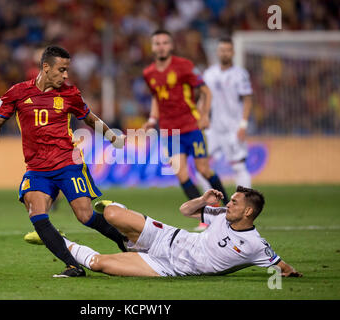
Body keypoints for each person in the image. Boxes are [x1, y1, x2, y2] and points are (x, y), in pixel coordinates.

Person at [0, 45, 127, 278]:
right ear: (46, 67)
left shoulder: (69, 94)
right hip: (37, 169)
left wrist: (112, 136)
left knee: (85, 216)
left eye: (67, 70)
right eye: (61, 69)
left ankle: (125, 242)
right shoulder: (17, 93)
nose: (66, 75)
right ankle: (73, 266)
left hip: (68, 163)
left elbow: (90, 119)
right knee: (37, 215)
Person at [63, 187, 303, 278]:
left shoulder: (255, 244)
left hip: (167, 267)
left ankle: (59, 241)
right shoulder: (220, 216)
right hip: (167, 237)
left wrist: (290, 273)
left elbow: (281, 266)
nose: (228, 205)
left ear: (248, 211)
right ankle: (124, 224)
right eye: (230, 201)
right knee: (112, 214)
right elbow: (185, 211)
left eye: (235, 203)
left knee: (98, 264)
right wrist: (202, 199)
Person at [142, 29, 229, 231]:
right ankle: (204, 218)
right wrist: (152, 119)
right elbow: (156, 97)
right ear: (152, 47)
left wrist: (205, 115)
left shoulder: (184, 66)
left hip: (190, 126)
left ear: (171, 46)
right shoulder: (149, 73)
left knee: (203, 170)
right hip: (169, 131)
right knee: (181, 175)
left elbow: (205, 90)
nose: (161, 46)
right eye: (157, 43)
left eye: (165, 42)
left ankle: (227, 210)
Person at [199, 37, 253, 191]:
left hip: (233, 127)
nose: (225, 53)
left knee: (239, 166)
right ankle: (210, 203)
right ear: (217, 52)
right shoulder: (209, 74)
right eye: (222, 50)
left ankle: (244, 202)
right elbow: (203, 99)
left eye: (228, 50)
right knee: (202, 165)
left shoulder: (240, 74)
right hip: (213, 127)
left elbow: (248, 100)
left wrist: (243, 125)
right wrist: (200, 117)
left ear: (233, 52)